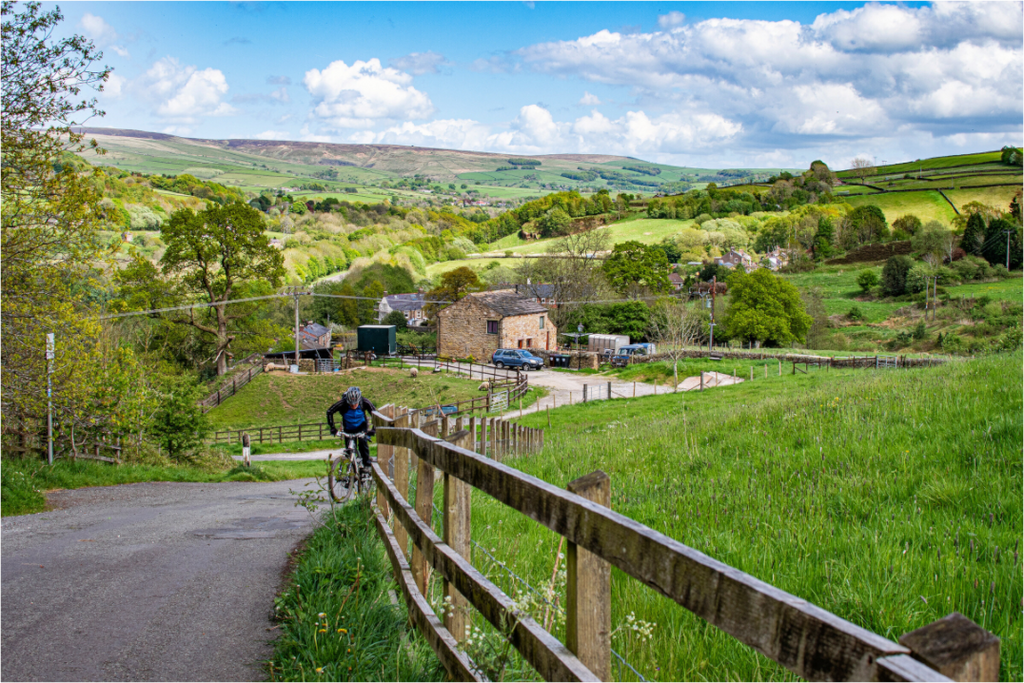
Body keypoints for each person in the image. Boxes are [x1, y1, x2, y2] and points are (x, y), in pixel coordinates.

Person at [326, 386, 377, 468]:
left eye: (355, 404)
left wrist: (373, 430)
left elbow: (375, 414)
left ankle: (366, 465)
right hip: (348, 428)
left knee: (362, 443)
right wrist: (333, 428)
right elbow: (329, 412)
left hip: (361, 426)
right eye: (351, 404)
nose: (353, 406)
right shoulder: (343, 403)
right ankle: (350, 472)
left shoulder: (364, 402)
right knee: (349, 450)